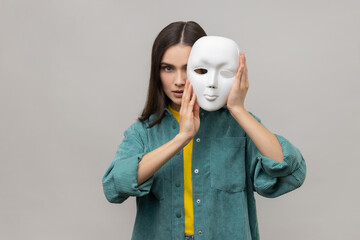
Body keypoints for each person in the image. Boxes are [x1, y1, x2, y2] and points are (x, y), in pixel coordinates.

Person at [102, 21, 306, 240]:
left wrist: (237, 109)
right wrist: (181, 138)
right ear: (157, 71)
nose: (179, 81)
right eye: (167, 68)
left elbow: (291, 172)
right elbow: (115, 186)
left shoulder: (238, 126)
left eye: (189, 68)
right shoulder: (143, 131)